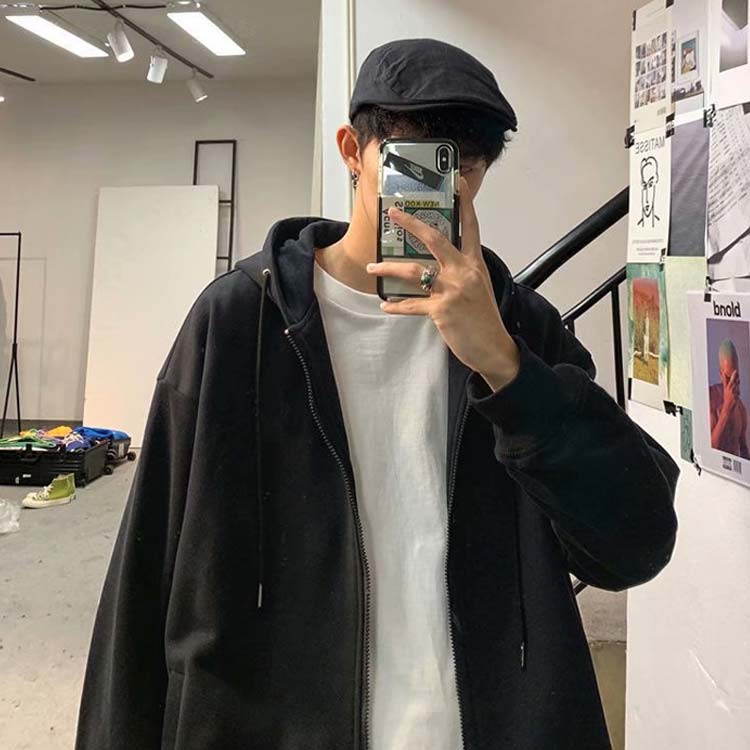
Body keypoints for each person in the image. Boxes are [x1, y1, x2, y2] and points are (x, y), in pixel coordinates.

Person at [75, 38, 679, 750]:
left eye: (465, 165)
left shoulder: (520, 329)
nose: (442, 187)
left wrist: (506, 367)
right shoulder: (242, 321)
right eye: (414, 159)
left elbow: (636, 546)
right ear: (352, 152)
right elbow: (147, 566)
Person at [709, 338, 749, 459]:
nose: (732, 382)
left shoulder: (741, 407)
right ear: (721, 374)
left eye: (735, 376)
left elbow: (743, 447)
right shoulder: (710, 399)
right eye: (728, 377)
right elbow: (710, 448)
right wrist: (727, 408)